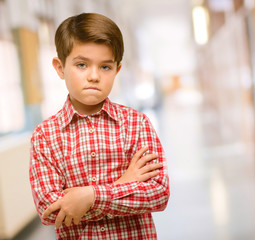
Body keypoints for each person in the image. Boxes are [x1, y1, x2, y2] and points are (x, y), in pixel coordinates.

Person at [29, 13, 169, 240]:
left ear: (117, 70)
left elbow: (158, 193)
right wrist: (124, 184)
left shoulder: (136, 124)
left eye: (105, 67)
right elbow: (50, 210)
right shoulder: (45, 136)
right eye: (81, 64)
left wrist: (90, 197)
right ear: (60, 67)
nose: (94, 76)